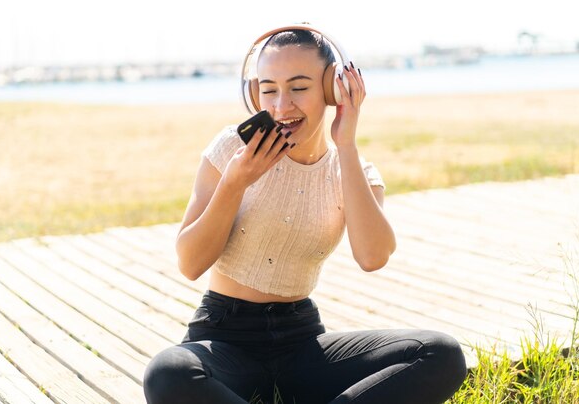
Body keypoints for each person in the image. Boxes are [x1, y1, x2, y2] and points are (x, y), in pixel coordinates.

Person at [143, 24, 467, 404]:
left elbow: (372, 256)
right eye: (268, 89)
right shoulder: (232, 149)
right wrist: (234, 184)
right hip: (224, 335)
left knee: (441, 353)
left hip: (301, 341)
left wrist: (346, 144)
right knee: (168, 374)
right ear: (253, 92)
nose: (281, 105)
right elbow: (190, 263)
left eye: (298, 88)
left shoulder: (354, 171)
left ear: (332, 88)